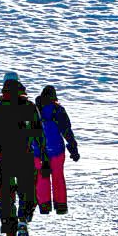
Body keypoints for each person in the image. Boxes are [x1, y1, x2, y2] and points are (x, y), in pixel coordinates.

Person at [0, 74, 46, 236]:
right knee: (27, 191)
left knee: (5, 195)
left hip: (3, 157)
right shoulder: (29, 106)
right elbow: (39, 133)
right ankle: (24, 218)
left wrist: (0, 143)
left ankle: (10, 235)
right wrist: (43, 155)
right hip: (24, 155)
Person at [33, 85, 80, 215]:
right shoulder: (58, 110)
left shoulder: (34, 110)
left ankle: (44, 206)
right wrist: (73, 148)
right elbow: (66, 131)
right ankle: (61, 207)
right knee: (58, 177)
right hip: (56, 150)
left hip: (38, 151)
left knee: (42, 177)